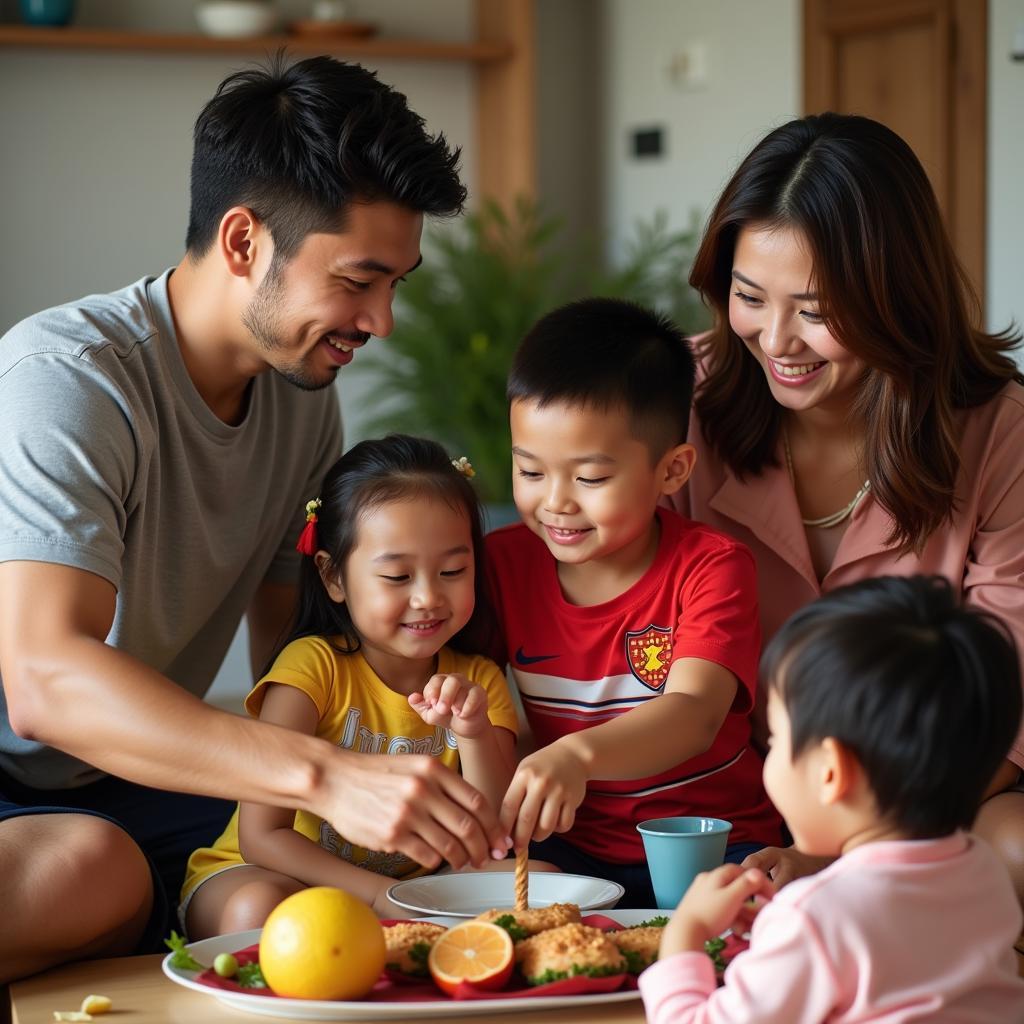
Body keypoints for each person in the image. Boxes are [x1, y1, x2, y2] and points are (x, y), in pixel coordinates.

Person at [0, 55, 512, 985]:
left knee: (277, 901)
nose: (384, 320)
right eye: (360, 280)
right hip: (27, 773)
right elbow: (42, 683)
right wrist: (323, 779)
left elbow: (305, 647)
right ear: (243, 241)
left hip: (152, 781)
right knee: (94, 871)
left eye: (397, 283)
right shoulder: (67, 377)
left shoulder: (301, 393)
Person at [671, 112, 1024, 902]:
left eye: (818, 310)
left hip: (919, 806)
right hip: (701, 790)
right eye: (749, 296)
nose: (777, 340)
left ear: (896, 297)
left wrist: (848, 847)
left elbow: (1005, 703)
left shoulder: (999, 431)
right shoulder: (678, 399)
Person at [487, 298, 782, 908]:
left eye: (590, 479)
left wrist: (576, 754)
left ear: (672, 470)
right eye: (530, 472)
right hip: (572, 846)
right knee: (495, 899)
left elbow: (695, 714)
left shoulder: (712, 566)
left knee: (753, 924)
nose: (556, 503)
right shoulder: (502, 565)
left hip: (713, 842)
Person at [640, 575, 1024, 1023]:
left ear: (829, 772)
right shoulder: (982, 872)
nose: (772, 750)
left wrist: (683, 938)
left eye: (778, 737)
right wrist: (776, 934)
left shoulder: (814, 916)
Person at [181, 436, 518, 938]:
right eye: (398, 576)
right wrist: (378, 896)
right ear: (333, 576)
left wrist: (472, 731)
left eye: (453, 571)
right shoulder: (312, 669)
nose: (428, 597)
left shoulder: (479, 680)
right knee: (261, 912)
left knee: (534, 885)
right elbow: (262, 836)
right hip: (275, 874)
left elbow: (490, 836)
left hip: (411, 891)